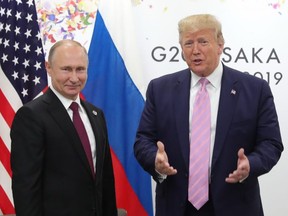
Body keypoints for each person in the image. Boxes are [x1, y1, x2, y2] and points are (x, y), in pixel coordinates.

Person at [134, 14, 283, 216]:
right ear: (182, 49)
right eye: (188, 43)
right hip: (177, 206)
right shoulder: (160, 89)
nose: (195, 50)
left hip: (235, 204)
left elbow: (271, 143)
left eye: (203, 41)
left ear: (220, 45)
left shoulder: (255, 90)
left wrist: (251, 163)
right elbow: (143, 140)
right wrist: (155, 160)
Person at [10, 39, 117, 216]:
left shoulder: (96, 115)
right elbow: (26, 188)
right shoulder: (31, 116)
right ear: (49, 68)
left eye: (80, 69)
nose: (74, 78)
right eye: (66, 69)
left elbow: (105, 181)